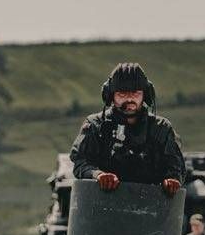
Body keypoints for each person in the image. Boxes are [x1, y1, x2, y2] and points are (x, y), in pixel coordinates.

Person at [69, 62, 185, 196]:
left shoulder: (161, 128)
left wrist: (171, 181)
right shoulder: (95, 125)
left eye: (135, 93)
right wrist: (98, 175)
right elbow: (81, 162)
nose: (129, 99)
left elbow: (176, 168)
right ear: (110, 96)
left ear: (145, 95)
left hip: (151, 206)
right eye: (122, 94)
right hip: (102, 205)